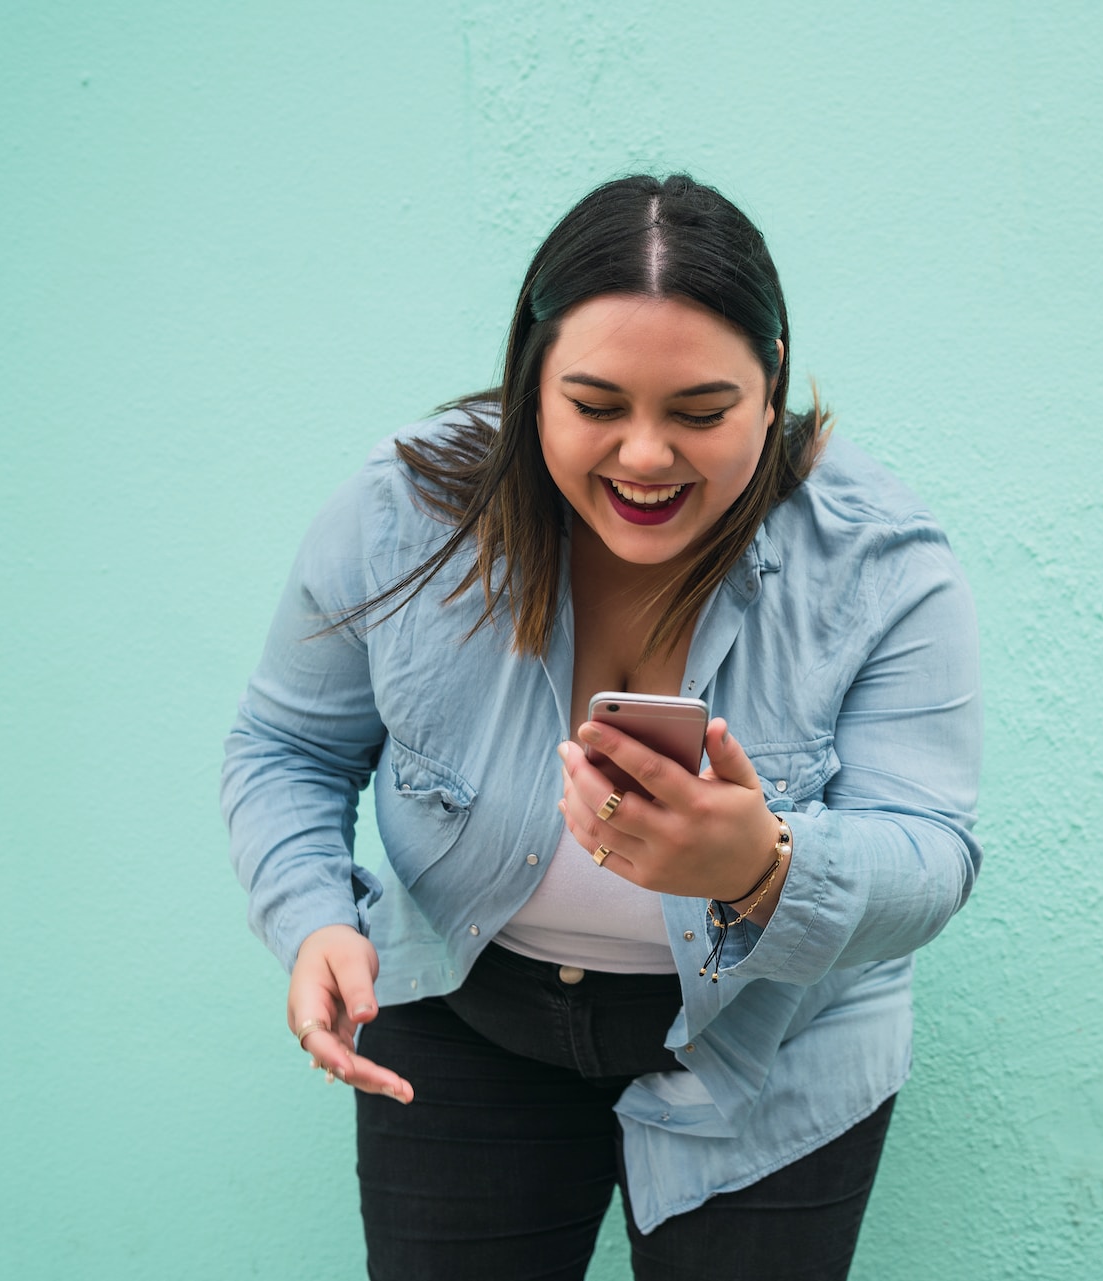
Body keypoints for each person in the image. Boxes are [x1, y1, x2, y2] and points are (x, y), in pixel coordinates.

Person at [221, 173, 982, 1279]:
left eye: (700, 413)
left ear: (771, 388)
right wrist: (314, 921)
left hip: (771, 1042)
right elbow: (287, 747)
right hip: (459, 1010)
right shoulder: (399, 514)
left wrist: (763, 867)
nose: (643, 456)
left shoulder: (882, 562)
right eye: (595, 405)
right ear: (532, 386)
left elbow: (934, 852)